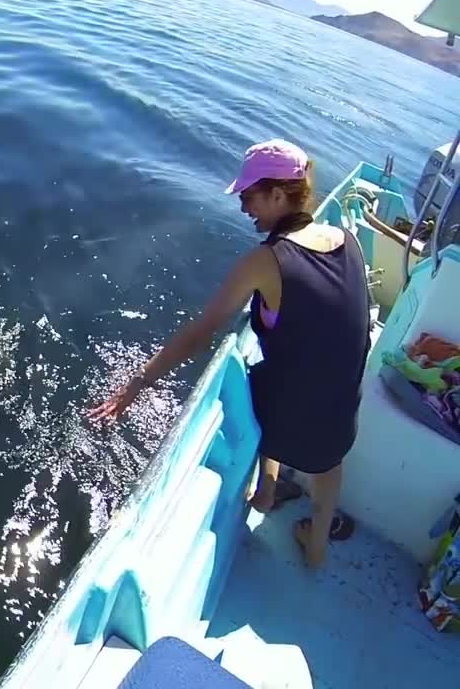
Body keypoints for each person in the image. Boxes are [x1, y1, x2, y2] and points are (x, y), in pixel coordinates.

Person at [87, 138, 371, 568]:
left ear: (278, 194)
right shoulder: (345, 239)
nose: (244, 208)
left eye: (248, 197)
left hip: (288, 423)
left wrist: (136, 385)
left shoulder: (267, 260)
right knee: (304, 388)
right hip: (341, 424)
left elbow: (201, 332)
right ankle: (315, 544)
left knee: (253, 376)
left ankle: (264, 489)